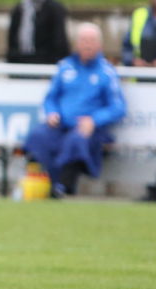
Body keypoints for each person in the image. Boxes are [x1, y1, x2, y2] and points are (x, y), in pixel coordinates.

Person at [24, 22, 126, 198]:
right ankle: (44, 182)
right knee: (38, 136)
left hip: (89, 129)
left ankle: (63, 186)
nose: (87, 44)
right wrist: (52, 113)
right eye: (84, 40)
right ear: (77, 43)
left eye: (91, 40)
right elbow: (51, 98)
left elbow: (118, 107)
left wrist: (94, 120)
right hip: (61, 124)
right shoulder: (65, 67)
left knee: (76, 140)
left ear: (99, 45)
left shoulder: (106, 72)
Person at [6, 0, 69, 64]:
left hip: (46, 66)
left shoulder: (55, 9)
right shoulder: (18, 10)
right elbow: (12, 44)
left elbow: (60, 44)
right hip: (20, 65)